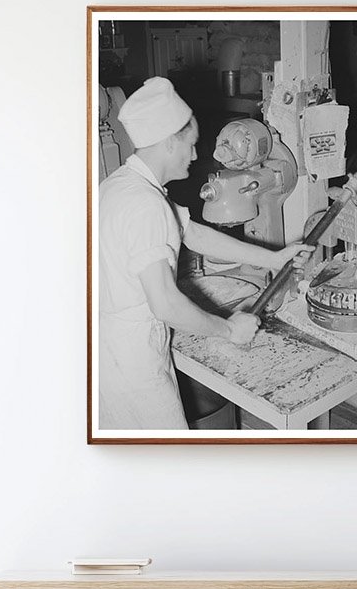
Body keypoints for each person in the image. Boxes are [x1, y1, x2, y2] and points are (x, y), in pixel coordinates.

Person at [97, 76, 307, 430]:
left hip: (105, 349)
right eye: (190, 144)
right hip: (133, 362)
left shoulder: (120, 186)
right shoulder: (146, 205)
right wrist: (229, 330)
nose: (196, 155)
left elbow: (193, 233)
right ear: (168, 142)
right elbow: (165, 304)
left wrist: (273, 258)